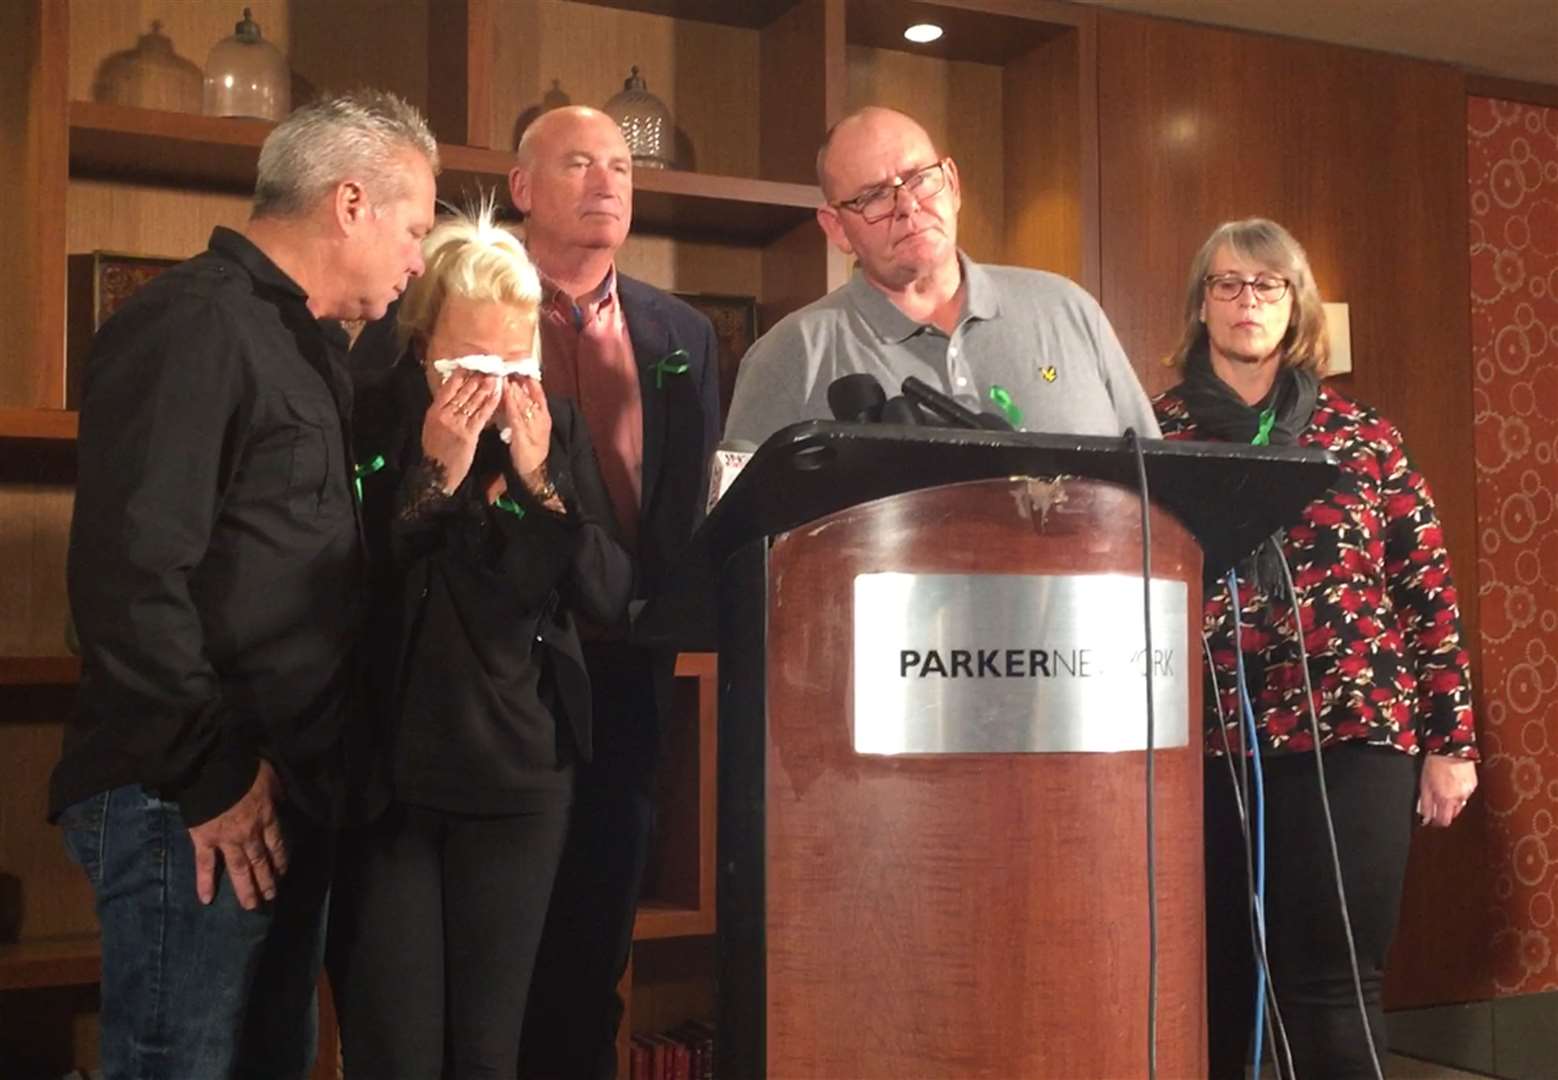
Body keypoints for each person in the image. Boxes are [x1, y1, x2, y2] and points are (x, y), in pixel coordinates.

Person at [49, 89, 437, 1079]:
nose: (416, 260)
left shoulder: (311, 348)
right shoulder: (193, 324)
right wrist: (211, 777)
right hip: (186, 802)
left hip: (274, 790)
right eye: (415, 227)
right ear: (351, 203)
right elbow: (130, 578)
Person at [1152, 218, 1479, 1079]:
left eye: (1266, 285)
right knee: (1212, 979)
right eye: (1226, 284)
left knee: (1334, 983)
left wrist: (1451, 744)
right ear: (1201, 305)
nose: (1245, 301)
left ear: (1295, 303)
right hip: (1202, 742)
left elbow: (1427, 592)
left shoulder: (1365, 437)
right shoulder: (1152, 432)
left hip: (1353, 735)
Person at [327, 205, 633, 1077]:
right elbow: (345, 587)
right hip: (391, 783)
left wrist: (541, 483)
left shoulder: (555, 429)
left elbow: (610, 592)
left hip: (522, 785)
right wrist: (433, 474)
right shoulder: (368, 418)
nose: (492, 389)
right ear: (422, 347)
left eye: (515, 364)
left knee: (492, 1052)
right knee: (396, 1050)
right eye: (468, 365)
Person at [504, 106, 722, 1080]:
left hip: (627, 667)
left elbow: (689, 507)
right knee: (494, 951)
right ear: (521, 189)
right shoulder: (461, 301)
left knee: (596, 944)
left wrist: (662, 618)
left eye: (622, 169)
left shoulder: (680, 331)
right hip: (495, 671)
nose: (606, 184)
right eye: (579, 164)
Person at [723, 106, 1159, 444]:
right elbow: (741, 544)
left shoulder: (1069, 310)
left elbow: (1162, 492)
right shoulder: (790, 354)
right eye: (874, 196)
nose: (908, 207)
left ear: (952, 182)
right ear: (836, 228)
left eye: (920, 179)